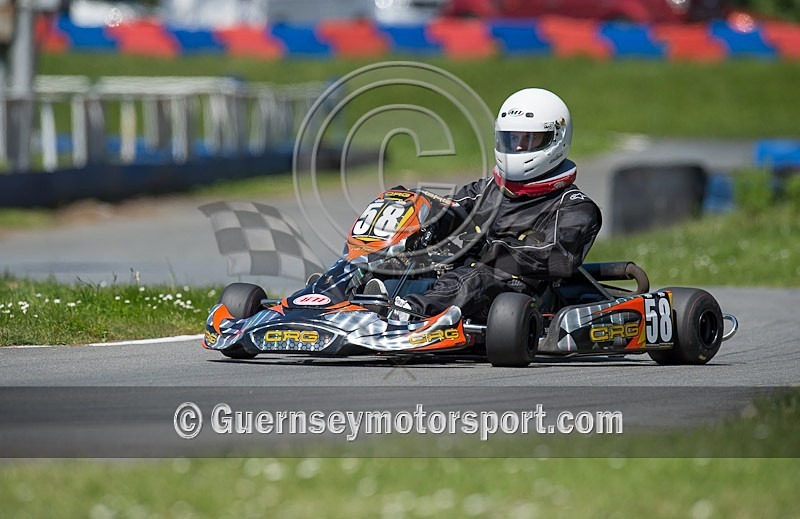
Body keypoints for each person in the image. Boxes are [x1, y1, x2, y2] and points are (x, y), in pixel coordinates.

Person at [370, 88, 602, 321]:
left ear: (556, 139)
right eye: (512, 138)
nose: (519, 147)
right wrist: (416, 218)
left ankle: (406, 312)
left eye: (529, 138)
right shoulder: (484, 191)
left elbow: (557, 258)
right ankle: (344, 300)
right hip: (465, 281)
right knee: (394, 256)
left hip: (522, 295)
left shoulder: (575, 207)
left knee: (479, 275)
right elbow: (451, 211)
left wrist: (491, 251)